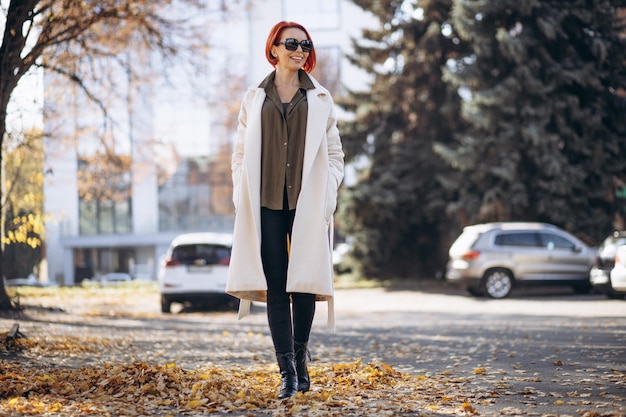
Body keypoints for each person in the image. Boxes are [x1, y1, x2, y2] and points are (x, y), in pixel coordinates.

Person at [226, 21, 344, 399]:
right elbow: (240, 154)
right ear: (273, 48)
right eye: (291, 43)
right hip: (266, 204)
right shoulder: (254, 98)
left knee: (304, 284)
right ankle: (287, 373)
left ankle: (300, 358)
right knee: (276, 287)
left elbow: (336, 155)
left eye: (305, 44)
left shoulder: (320, 99)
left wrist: (327, 194)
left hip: (306, 203)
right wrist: (238, 193)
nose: (300, 49)